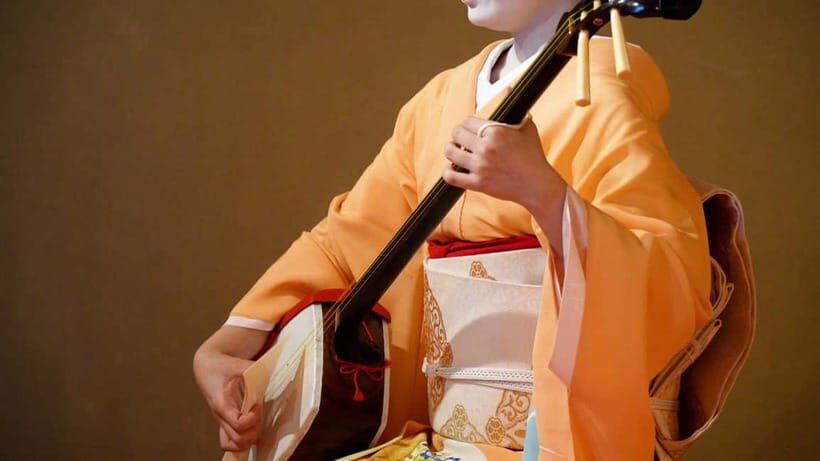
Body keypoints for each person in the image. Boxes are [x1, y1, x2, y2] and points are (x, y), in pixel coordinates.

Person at [193, 0, 712, 459]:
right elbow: (351, 241)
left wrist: (544, 195)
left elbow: (667, 272)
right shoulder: (439, 100)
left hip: (549, 435)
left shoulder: (599, 91)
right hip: (440, 436)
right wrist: (228, 346)